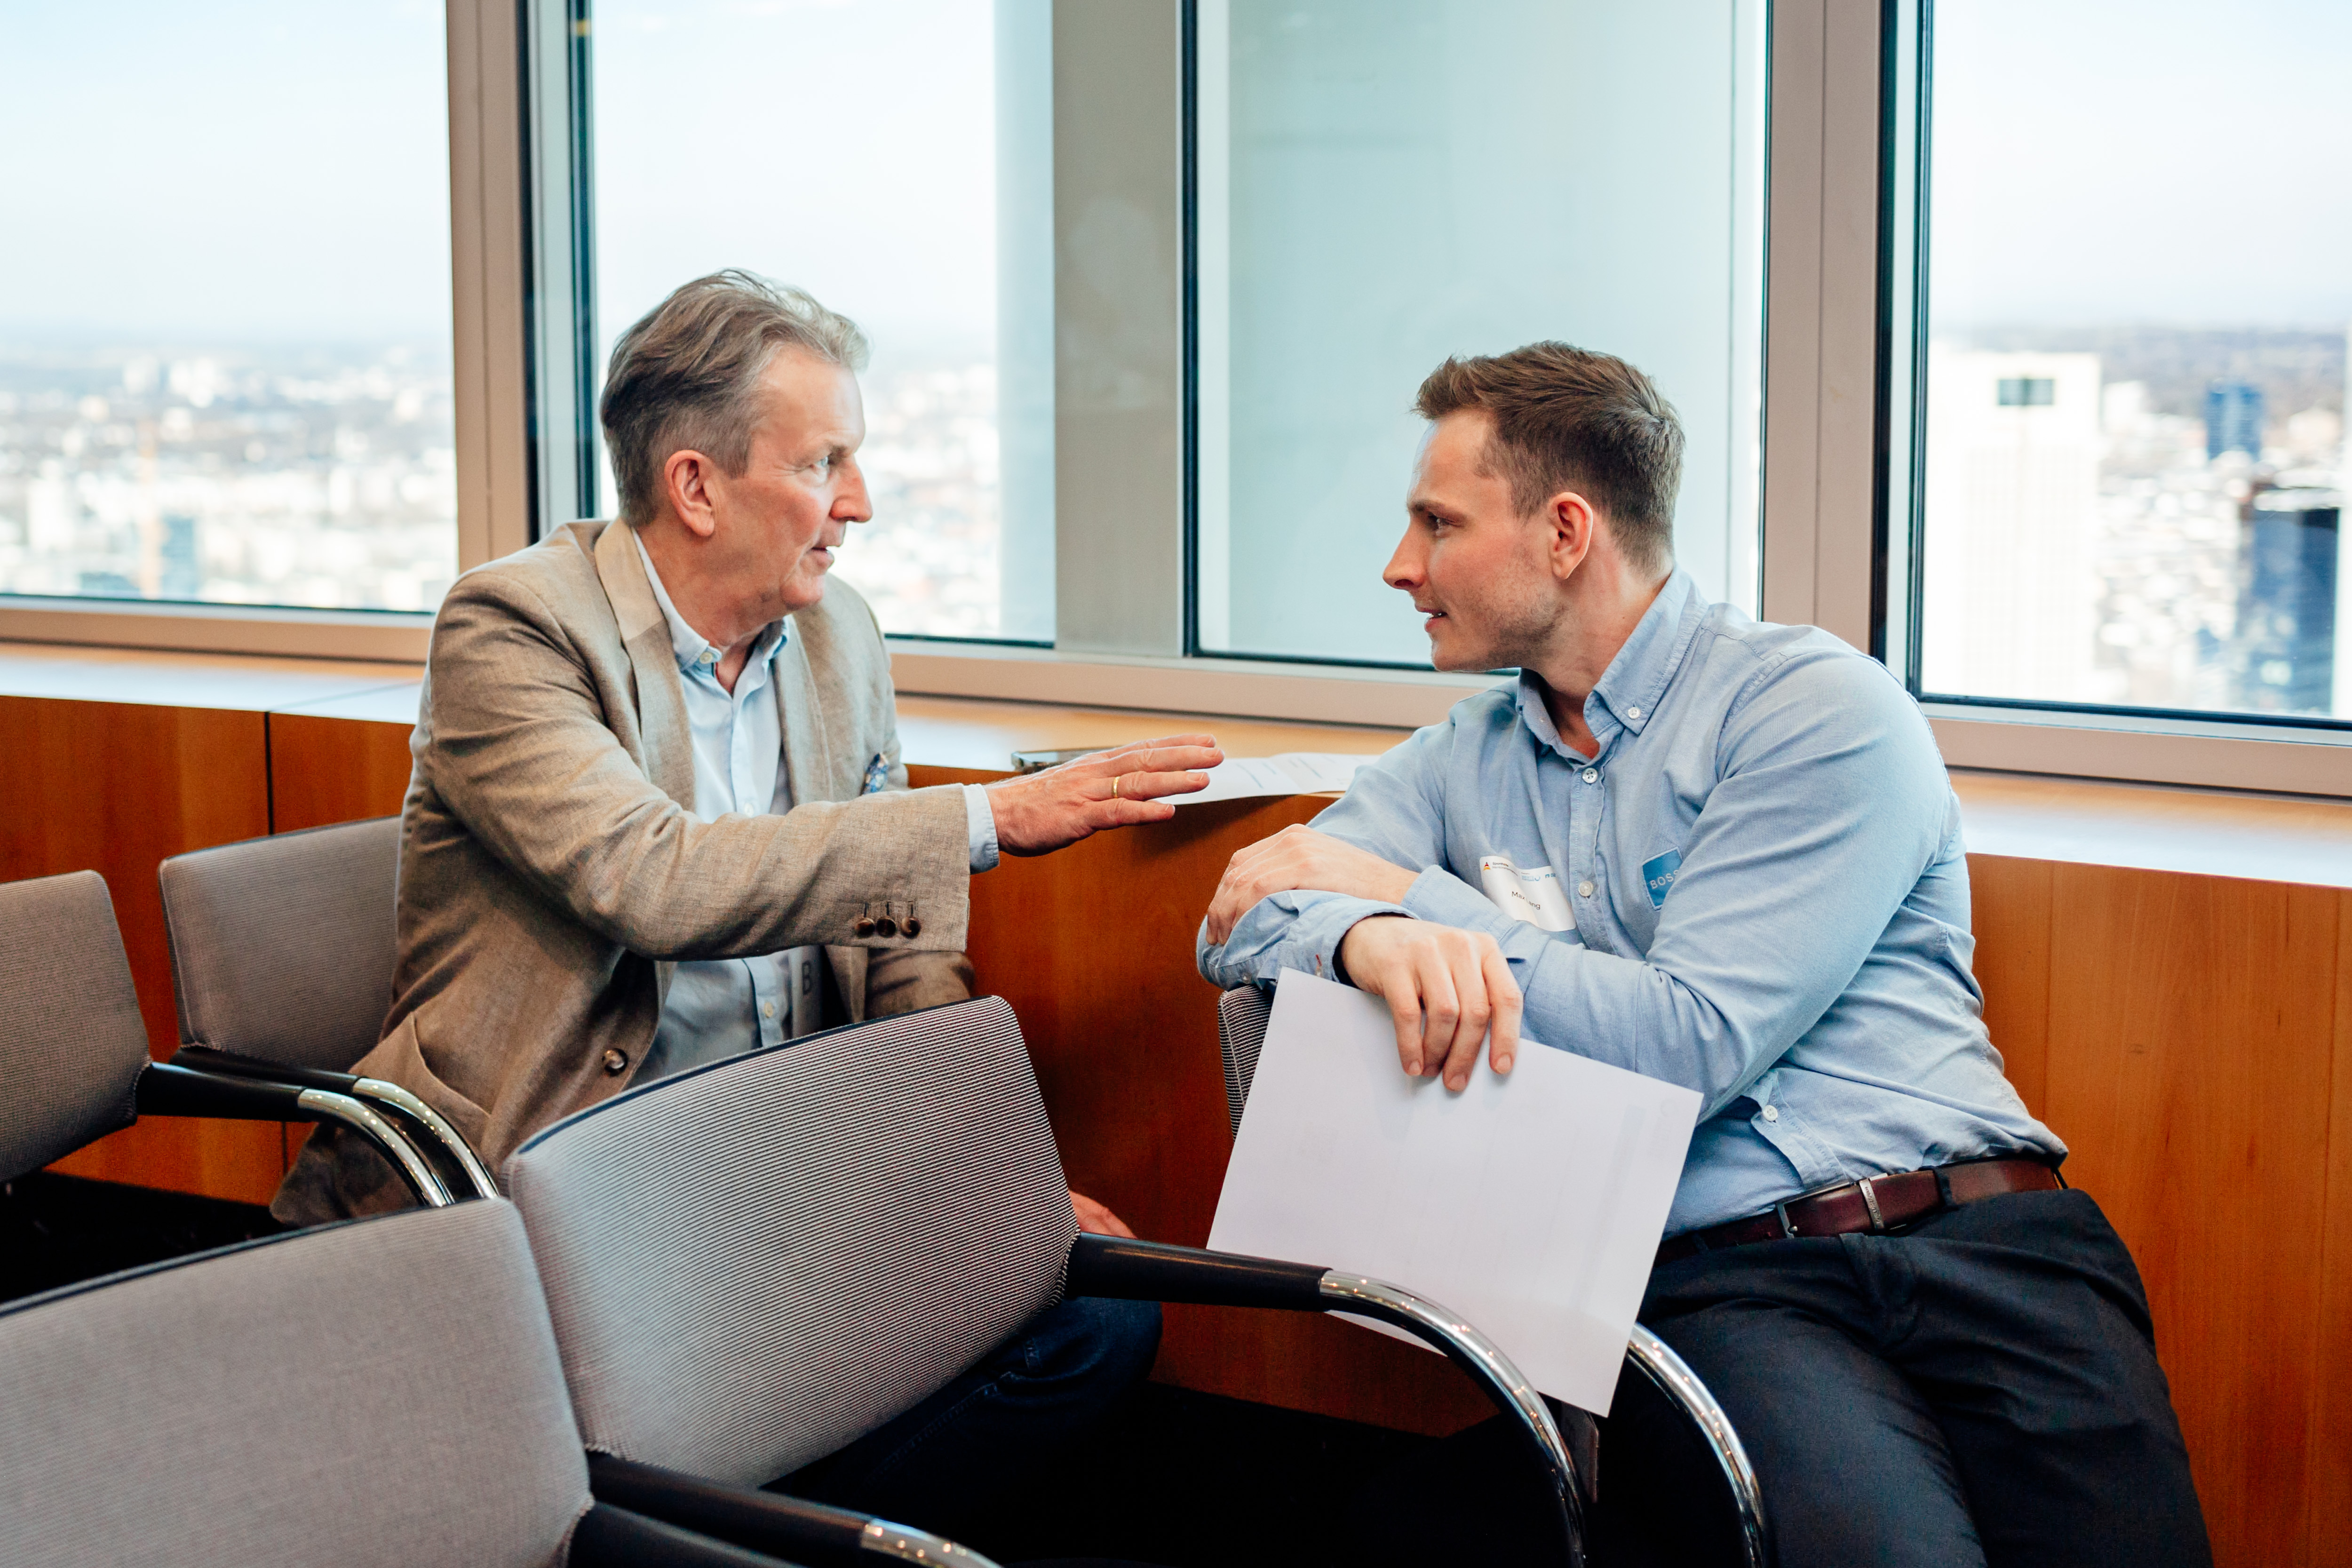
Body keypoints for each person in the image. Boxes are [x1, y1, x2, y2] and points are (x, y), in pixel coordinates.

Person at [1196, 342, 2210, 1566]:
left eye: (1437, 522)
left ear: (1565, 532)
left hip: (1985, 1240)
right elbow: (1243, 915)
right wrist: (1369, 932)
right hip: (1727, 1285)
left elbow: (1688, 1040)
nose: (1400, 565)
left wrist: (1414, 898)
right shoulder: (1462, 760)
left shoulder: (1813, 707)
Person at [278, 270, 1218, 1540]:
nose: (859, 503)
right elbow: (655, 879)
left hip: (770, 1178)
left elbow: (899, 946)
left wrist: (980, 1172)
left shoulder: (840, 637)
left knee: (1095, 1315)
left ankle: (719, 1523)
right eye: (825, 462)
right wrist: (984, 819)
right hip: (565, 1187)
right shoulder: (513, 629)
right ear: (697, 486)